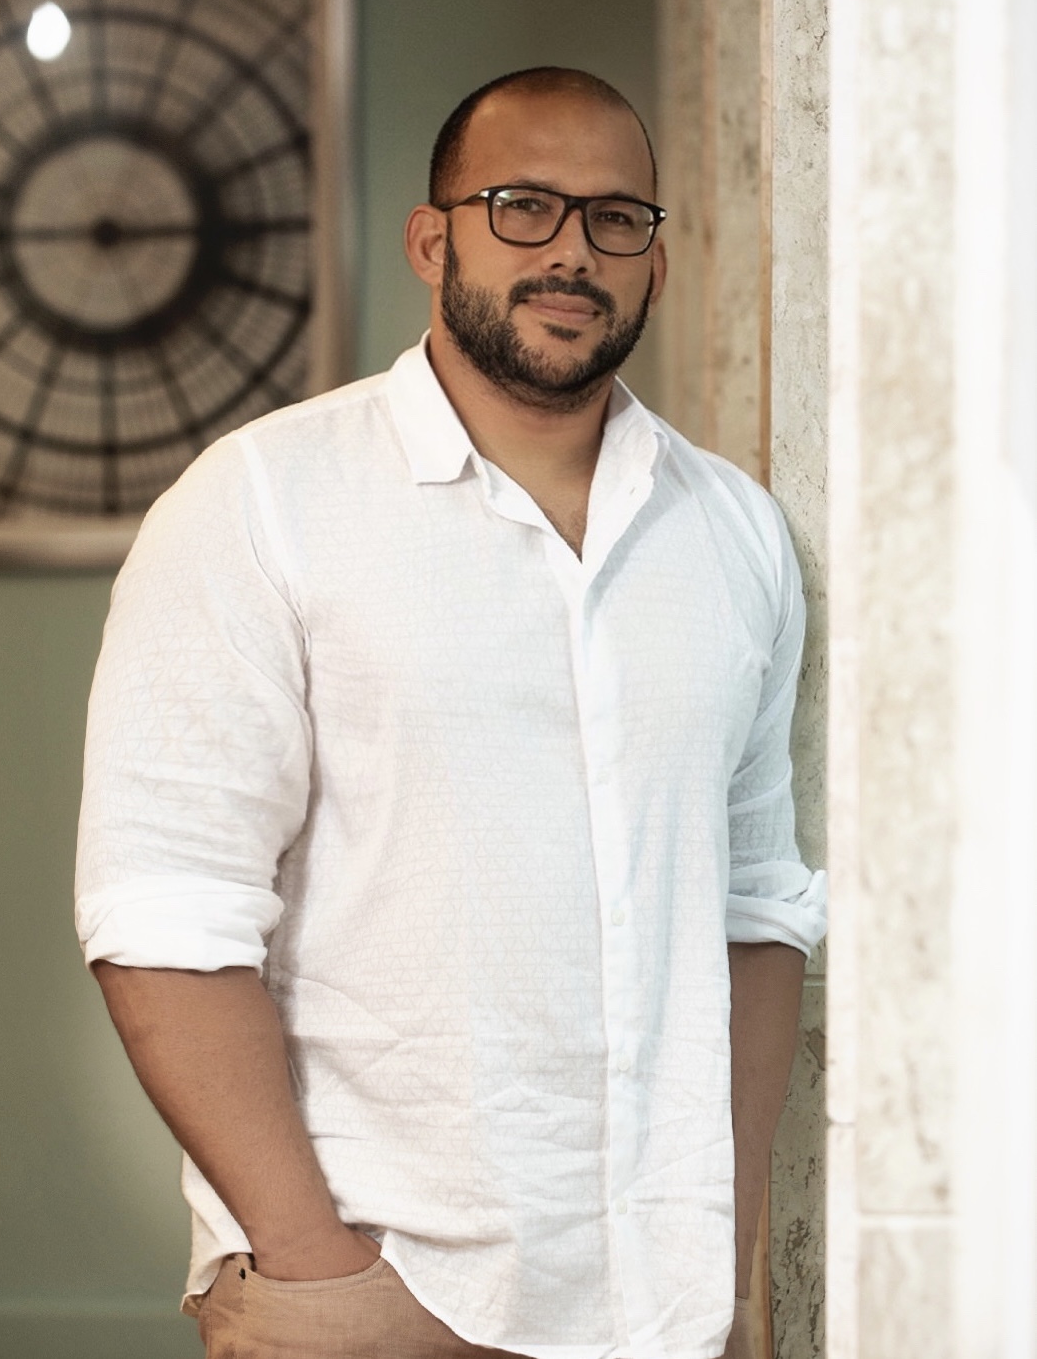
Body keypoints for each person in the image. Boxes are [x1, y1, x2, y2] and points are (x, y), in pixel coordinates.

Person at [75, 66, 827, 1359]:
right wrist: (314, 1264)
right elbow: (162, 910)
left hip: (665, 1303)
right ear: (433, 239)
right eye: (521, 207)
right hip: (378, 1287)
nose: (571, 253)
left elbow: (754, 905)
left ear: (653, 259)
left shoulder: (737, 535)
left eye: (613, 219)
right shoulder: (259, 501)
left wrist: (733, 1251)